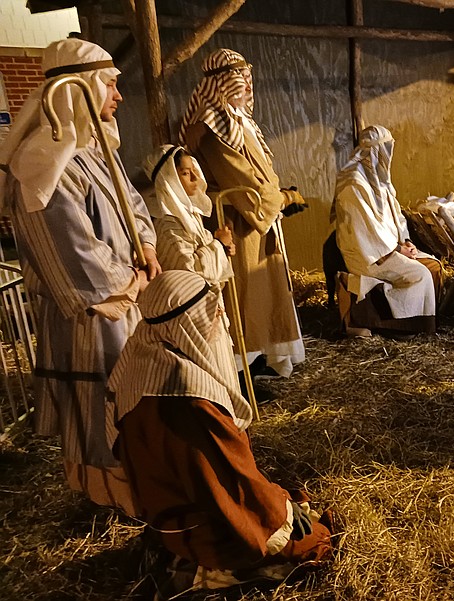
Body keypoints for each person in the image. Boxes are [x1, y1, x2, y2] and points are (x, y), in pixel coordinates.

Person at [0, 38, 161, 514]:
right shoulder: (42, 167)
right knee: (98, 412)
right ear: (81, 89)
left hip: (126, 303)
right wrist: (133, 280)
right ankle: (106, 496)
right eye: (111, 84)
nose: (119, 95)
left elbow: (134, 205)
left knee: (126, 402)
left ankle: (135, 486)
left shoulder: (92, 151)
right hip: (91, 318)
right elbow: (73, 258)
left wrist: (148, 248)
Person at [107, 270, 331, 595]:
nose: (222, 320)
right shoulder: (187, 399)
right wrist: (279, 514)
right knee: (315, 540)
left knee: (290, 502)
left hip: (164, 515)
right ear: (191, 320)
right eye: (215, 311)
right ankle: (207, 569)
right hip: (201, 526)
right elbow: (231, 485)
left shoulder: (140, 357)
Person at [179, 48, 305, 380]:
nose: (247, 86)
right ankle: (239, 371)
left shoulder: (238, 121)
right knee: (246, 296)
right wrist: (279, 198)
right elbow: (244, 182)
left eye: (248, 77)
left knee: (265, 291)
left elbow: (264, 173)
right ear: (222, 83)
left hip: (256, 217)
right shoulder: (212, 126)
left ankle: (260, 359)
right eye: (240, 79)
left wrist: (275, 196)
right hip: (237, 221)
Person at [333, 125, 441, 337]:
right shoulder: (354, 186)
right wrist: (398, 250)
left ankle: (420, 321)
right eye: (385, 149)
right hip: (369, 255)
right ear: (374, 152)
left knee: (433, 266)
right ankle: (393, 325)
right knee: (420, 275)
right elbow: (368, 232)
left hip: (390, 248)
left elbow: (396, 216)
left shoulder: (381, 181)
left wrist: (407, 240)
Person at [142, 144, 235, 293]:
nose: (195, 178)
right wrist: (219, 245)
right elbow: (189, 272)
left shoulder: (192, 216)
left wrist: (222, 248)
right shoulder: (167, 225)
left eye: (194, 171)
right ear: (169, 177)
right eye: (185, 173)